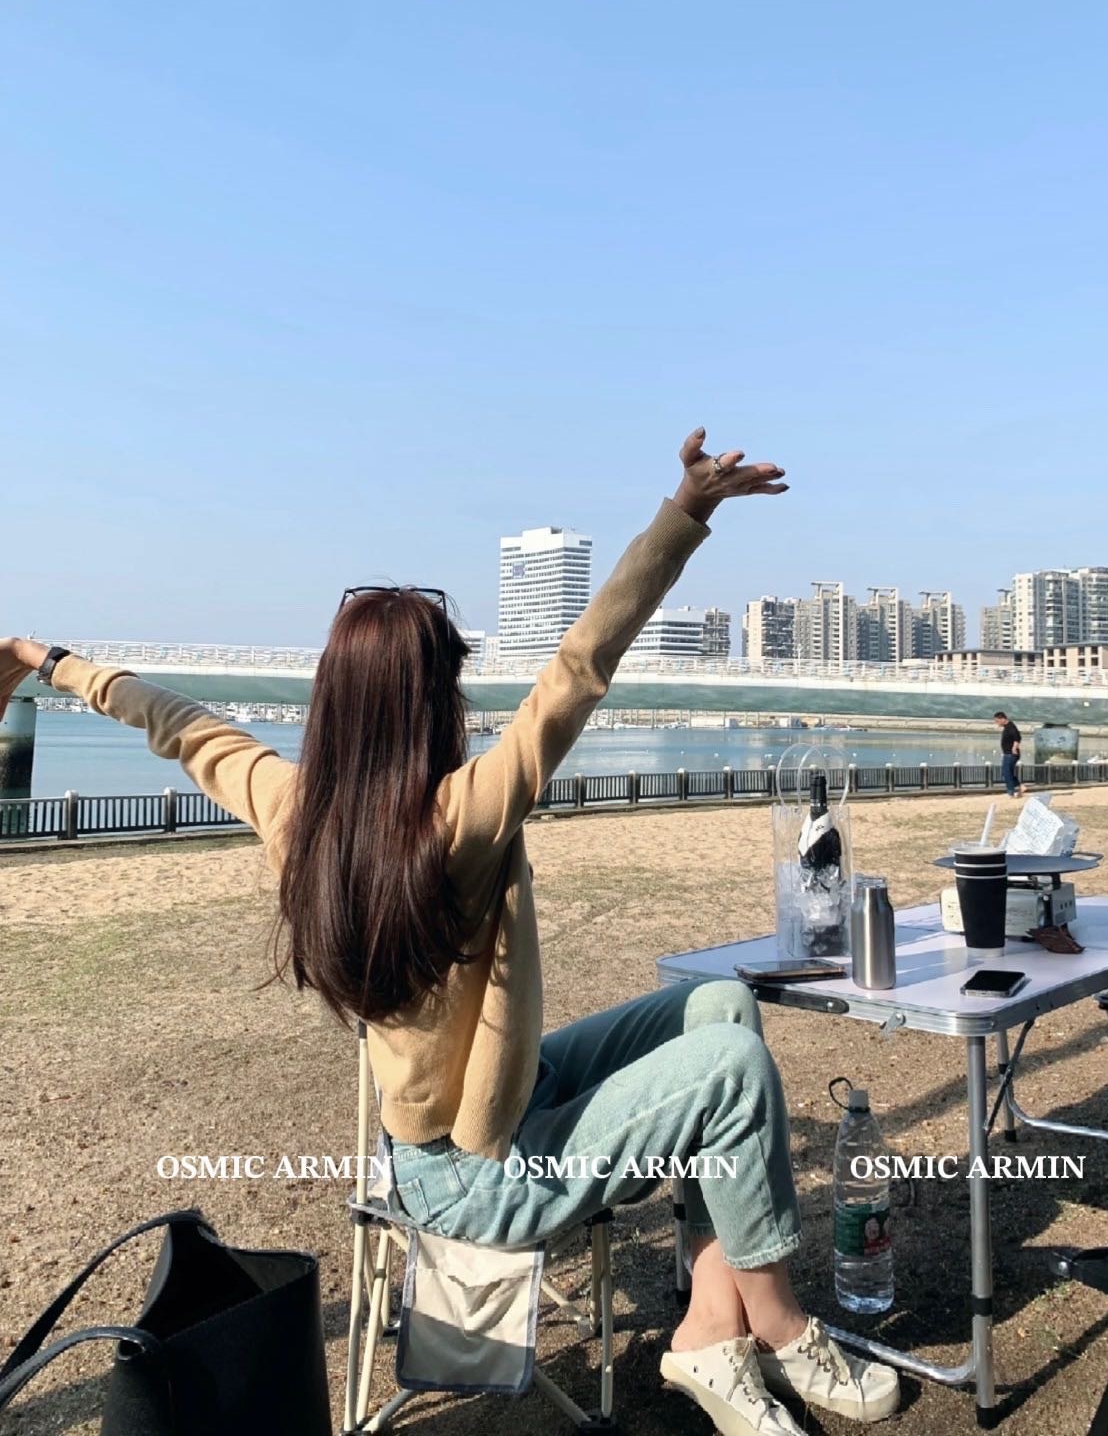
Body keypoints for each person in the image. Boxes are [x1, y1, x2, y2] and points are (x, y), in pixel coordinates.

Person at [0, 429, 900, 1435]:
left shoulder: (294, 810)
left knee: (719, 1005)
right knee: (729, 1070)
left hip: (493, 1106)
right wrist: (684, 514)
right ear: (433, 699)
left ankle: (707, 1327)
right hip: (487, 1175)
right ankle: (776, 1322)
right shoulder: (461, 817)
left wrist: (46, 662)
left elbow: (177, 725)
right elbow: (580, 667)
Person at [994, 710, 1022, 797]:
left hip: (1010, 754)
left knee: (1006, 773)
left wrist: (1014, 748)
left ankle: (1011, 791)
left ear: (1003, 719)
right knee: (1007, 772)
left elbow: (1017, 738)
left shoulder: (1011, 727)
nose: (997, 723)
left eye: (997, 721)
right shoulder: (1007, 727)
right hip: (1007, 753)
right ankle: (1020, 787)